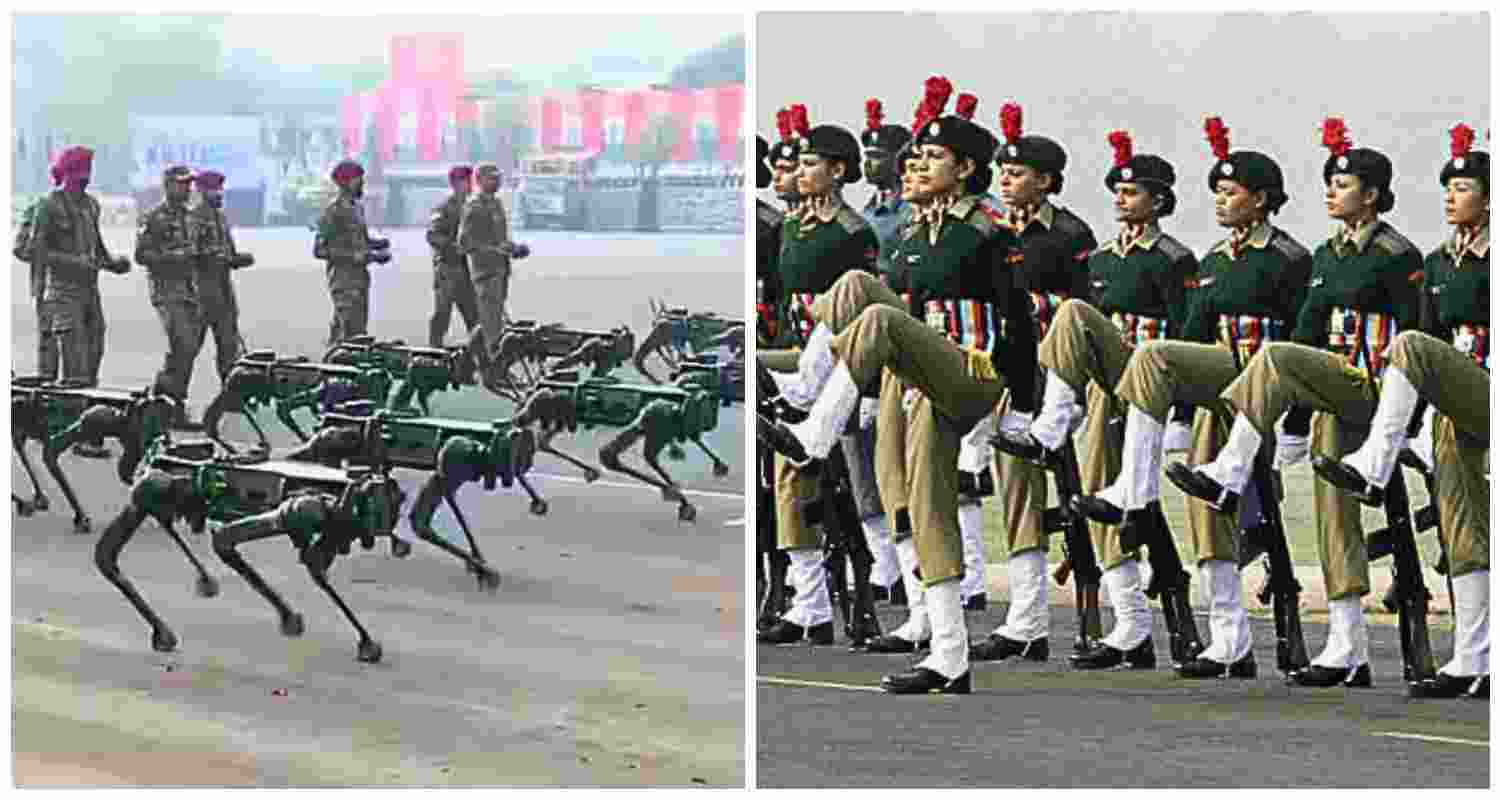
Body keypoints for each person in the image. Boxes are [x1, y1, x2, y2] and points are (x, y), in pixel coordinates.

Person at [762, 77, 1025, 694]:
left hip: (974, 375)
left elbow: (1019, 328)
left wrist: (1006, 415)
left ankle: (814, 428)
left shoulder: (988, 233)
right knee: (915, 505)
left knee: (875, 314)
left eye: (932, 158)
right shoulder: (909, 236)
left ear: (964, 169)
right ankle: (947, 656)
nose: (916, 164)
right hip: (918, 380)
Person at [1167, 119, 1423, 687]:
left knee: (1279, 362)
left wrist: (1299, 418)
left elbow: (1414, 333)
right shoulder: (1321, 255)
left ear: (1374, 194)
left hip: (1368, 388)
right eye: (1329, 182)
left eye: (1343, 183)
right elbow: (1302, 333)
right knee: (1331, 517)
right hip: (1274, 393)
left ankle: (1233, 470)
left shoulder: (1383, 253)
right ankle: (1340, 645)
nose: (1331, 191)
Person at [1072, 117, 1312, 679]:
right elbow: (1194, 338)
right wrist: (1180, 414)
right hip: (1216, 394)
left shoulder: (1289, 259)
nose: (1223, 203)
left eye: (1231, 194)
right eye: (1219, 194)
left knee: (1253, 515)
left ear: (1262, 200)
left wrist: (1294, 423)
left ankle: (1275, 626)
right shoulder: (1214, 262)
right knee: (1206, 516)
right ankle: (1229, 640)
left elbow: (1303, 339)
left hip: (1264, 392)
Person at [992, 129, 1202, 669]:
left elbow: (1184, 333)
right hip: (1073, 383)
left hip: (1134, 387)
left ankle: (1134, 621)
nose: (1120, 200)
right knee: (1087, 498)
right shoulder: (1101, 257)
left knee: (1112, 498)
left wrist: (1177, 412)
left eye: (1132, 193)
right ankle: (1113, 622)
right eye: (1118, 191)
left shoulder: (1165, 257)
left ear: (1158, 201)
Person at [1314, 124, 1489, 700]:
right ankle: (1474, 657)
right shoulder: (1439, 263)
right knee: (1465, 531)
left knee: (1408, 343)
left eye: (1463, 186)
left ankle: (1376, 459)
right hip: (1453, 400)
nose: (1449, 196)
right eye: (1449, 187)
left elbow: (1420, 345)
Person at [970, 101, 1099, 664]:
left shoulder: (1071, 235)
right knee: (1020, 505)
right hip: (1012, 386)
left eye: (1018, 173)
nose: (1007, 180)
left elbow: (1086, 314)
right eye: (1003, 171)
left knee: (1089, 502)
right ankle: (1026, 622)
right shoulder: (991, 235)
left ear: (1046, 182)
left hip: (1063, 386)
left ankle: (1117, 621)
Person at [757, 106, 878, 647]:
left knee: (853, 486)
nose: (800, 171)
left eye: (812, 163)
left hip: (835, 361)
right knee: (790, 481)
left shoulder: (852, 232)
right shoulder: (791, 228)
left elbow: (861, 310)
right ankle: (810, 605)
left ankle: (875, 588)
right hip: (793, 351)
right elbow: (781, 298)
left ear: (838, 171)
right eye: (799, 162)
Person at [315, 159, 390, 346]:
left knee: (357, 332)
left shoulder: (357, 208)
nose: (362, 183)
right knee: (348, 332)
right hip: (343, 280)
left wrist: (376, 246)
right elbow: (320, 249)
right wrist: (355, 256)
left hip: (360, 279)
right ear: (344, 182)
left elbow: (359, 241)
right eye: (358, 179)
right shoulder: (333, 211)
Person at [189, 170, 254, 386]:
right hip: (201, 291)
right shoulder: (193, 219)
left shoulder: (221, 218)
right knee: (189, 347)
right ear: (201, 192)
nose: (218, 194)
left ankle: (231, 390)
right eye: (212, 190)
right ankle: (174, 394)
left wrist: (237, 259)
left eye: (219, 190)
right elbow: (190, 254)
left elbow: (229, 253)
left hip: (224, 288)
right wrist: (219, 258)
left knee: (229, 344)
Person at [459, 163, 529, 359]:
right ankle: (495, 368)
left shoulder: (496, 203)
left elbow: (500, 239)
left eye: (497, 177)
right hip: (485, 272)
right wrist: (496, 252)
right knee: (492, 325)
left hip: (500, 271)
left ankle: (469, 360)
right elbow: (465, 243)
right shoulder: (474, 206)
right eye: (491, 178)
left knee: (492, 320)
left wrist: (514, 249)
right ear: (479, 180)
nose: (497, 181)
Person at [427, 164, 480, 347]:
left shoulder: (474, 207)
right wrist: (453, 247)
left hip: (468, 271)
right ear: (455, 183)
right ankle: (434, 351)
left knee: (475, 317)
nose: (470, 184)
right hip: (448, 270)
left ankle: (479, 359)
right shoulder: (444, 208)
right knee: (442, 315)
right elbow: (433, 235)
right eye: (466, 181)